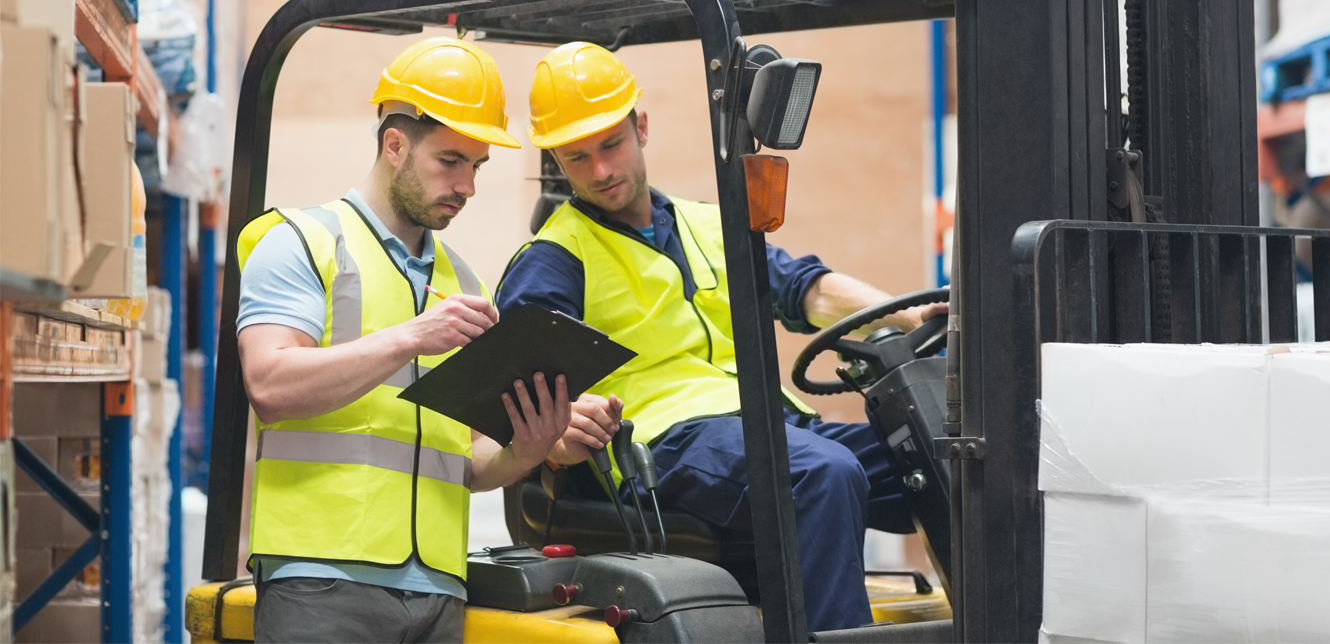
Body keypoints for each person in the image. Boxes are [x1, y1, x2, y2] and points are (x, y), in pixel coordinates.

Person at [497, 42, 942, 632]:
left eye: (611, 144)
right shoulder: (555, 257)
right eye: (578, 158)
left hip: (766, 423)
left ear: (643, 128)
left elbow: (807, 290)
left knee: (948, 455)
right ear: (556, 157)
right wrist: (559, 433)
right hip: (659, 443)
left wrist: (912, 316)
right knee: (823, 473)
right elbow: (524, 390)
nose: (601, 170)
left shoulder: (711, 222)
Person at [235, 37, 624, 644]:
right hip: (322, 581)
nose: (467, 185)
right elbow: (269, 385)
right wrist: (409, 337)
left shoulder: (462, 282)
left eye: (477, 167)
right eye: (450, 161)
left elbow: (463, 461)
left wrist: (529, 448)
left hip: (439, 591)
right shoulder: (301, 242)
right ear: (395, 144)